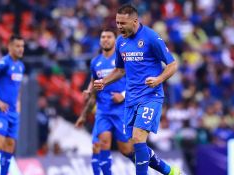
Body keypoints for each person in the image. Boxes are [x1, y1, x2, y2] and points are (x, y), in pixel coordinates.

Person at [94, 4, 180, 175]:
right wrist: (105, 81)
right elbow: (120, 70)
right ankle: (169, 171)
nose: (119, 27)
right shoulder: (120, 42)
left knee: (139, 137)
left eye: (122, 23)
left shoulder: (151, 37)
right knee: (134, 145)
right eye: (117, 23)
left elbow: (172, 64)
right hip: (131, 98)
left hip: (151, 96)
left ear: (134, 21)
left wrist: (159, 79)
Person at [75, 29, 132, 175]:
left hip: (121, 111)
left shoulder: (123, 59)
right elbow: (94, 85)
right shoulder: (95, 62)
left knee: (126, 150)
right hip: (103, 111)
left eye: (109, 37)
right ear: (100, 40)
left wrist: (124, 95)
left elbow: (137, 81)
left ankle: (147, 167)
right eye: (103, 37)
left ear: (115, 40)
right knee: (102, 143)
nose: (105, 39)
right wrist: (83, 114)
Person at [0, 35, 25, 175]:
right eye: (17, 46)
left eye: (22, 46)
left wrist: (18, 101)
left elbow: (17, 87)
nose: (21, 49)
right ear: (9, 47)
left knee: (9, 147)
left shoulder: (20, 66)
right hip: (1, 111)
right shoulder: (4, 63)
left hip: (13, 113)